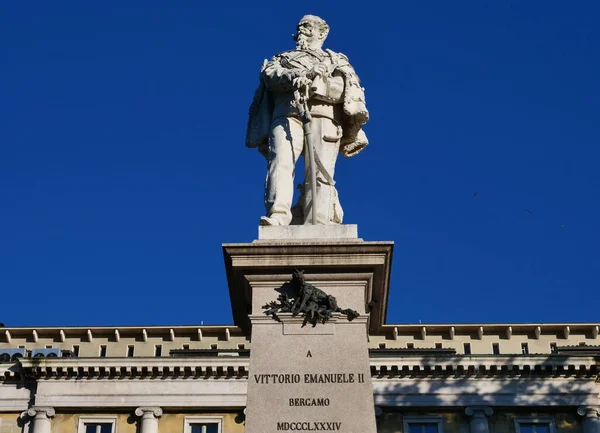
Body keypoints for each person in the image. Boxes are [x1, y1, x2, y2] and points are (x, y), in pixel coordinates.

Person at [246, 15, 369, 226]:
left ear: (323, 32)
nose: (302, 28)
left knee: (320, 171)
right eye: (301, 25)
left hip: (324, 117)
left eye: (308, 25)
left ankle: (319, 220)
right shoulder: (282, 58)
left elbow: (345, 90)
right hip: (286, 114)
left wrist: (315, 85)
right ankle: (278, 215)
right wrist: (296, 76)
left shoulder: (336, 61)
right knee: (280, 162)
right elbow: (271, 77)